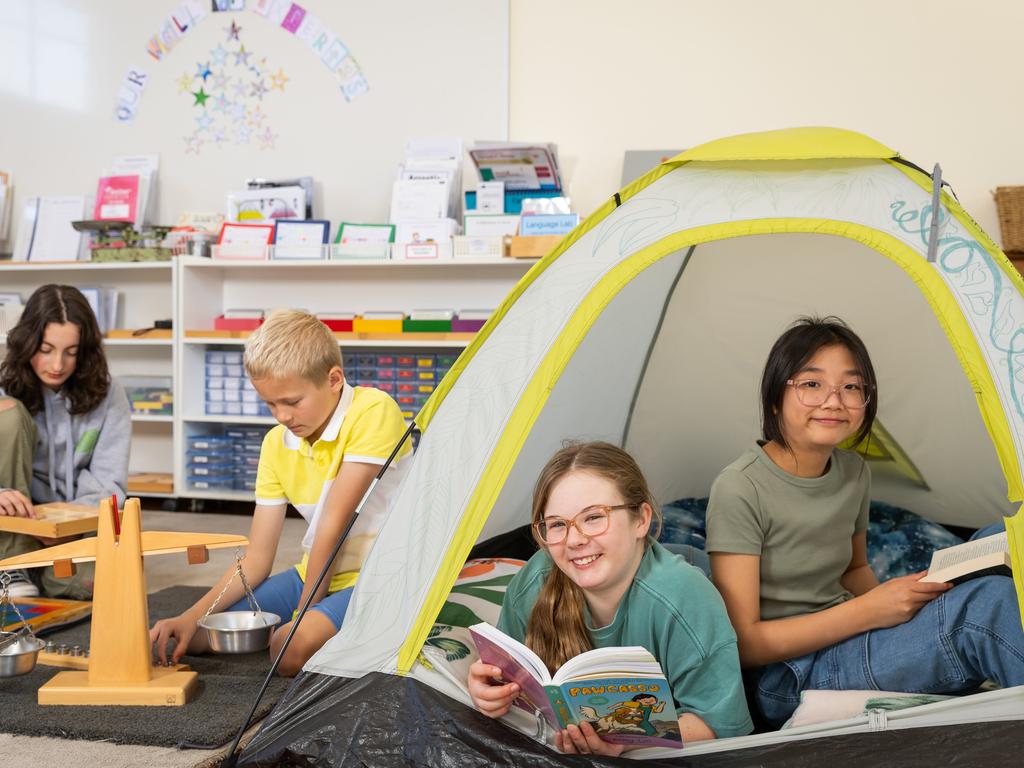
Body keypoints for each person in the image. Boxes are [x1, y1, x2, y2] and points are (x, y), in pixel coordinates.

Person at [706, 316, 1024, 728]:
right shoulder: (738, 488)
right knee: (989, 607)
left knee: (1006, 538)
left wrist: (900, 610)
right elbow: (744, 644)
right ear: (774, 397)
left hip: (851, 634)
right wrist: (872, 612)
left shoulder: (854, 471)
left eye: (852, 387)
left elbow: (854, 569)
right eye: (812, 384)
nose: (834, 401)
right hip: (787, 676)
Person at [150, 309, 412, 676]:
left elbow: (333, 526)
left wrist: (303, 617)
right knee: (196, 638)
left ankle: (314, 626)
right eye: (270, 403)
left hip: (381, 577)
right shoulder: (276, 444)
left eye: (292, 401)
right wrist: (192, 616)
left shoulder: (373, 410)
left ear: (334, 379)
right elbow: (257, 558)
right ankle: (309, 625)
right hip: (314, 573)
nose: (282, 416)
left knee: (288, 651)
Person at [468, 441, 752, 756]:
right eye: (558, 525)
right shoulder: (534, 583)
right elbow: (507, 677)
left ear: (641, 520)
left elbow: (720, 726)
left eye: (593, 517)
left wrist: (627, 741)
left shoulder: (685, 598)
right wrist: (487, 690)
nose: (575, 540)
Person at [0, 285, 130, 599]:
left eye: (70, 352)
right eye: (46, 349)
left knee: (95, 587)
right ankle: (11, 563)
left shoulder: (110, 394)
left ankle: (37, 568)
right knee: (8, 414)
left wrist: (68, 526)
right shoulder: (4, 385)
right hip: (9, 526)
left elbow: (109, 482)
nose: (57, 364)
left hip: (71, 523)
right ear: (27, 343)